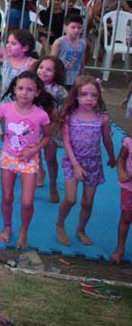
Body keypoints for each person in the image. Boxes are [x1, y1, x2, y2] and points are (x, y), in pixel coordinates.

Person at [0, 71, 55, 249]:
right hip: (8, 157)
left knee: (27, 201)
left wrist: (36, 149)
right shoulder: (6, 108)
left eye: (29, 89)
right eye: (20, 88)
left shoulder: (41, 115)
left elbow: (48, 136)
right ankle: (7, 227)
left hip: (29, 160)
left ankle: (24, 230)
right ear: (15, 89)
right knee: (8, 196)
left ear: (37, 93)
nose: (24, 93)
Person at [55, 76, 116, 247]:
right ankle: (60, 224)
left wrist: (112, 157)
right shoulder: (69, 116)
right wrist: (75, 165)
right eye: (84, 94)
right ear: (76, 96)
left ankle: (81, 229)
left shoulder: (102, 118)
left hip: (93, 163)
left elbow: (107, 140)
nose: (89, 99)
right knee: (71, 198)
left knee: (87, 202)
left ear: (99, 97)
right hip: (73, 161)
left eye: (94, 95)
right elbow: (66, 141)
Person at [35, 55, 68, 202]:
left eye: (49, 69)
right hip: (34, 127)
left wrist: (58, 117)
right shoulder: (33, 85)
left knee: (50, 157)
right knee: (35, 154)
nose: (43, 71)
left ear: (57, 73)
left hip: (51, 128)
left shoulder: (59, 90)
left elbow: (67, 107)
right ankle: (40, 172)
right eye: (41, 67)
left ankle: (53, 186)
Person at [0, 16, 38, 95]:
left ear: (25, 48)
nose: (8, 46)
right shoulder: (6, 56)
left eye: (13, 44)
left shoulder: (32, 63)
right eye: (8, 42)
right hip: (5, 102)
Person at [50, 14, 87, 90]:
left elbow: (81, 61)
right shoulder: (59, 42)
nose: (76, 30)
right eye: (73, 27)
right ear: (65, 27)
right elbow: (52, 61)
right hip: (61, 79)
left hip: (75, 79)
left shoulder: (83, 43)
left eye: (79, 28)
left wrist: (81, 75)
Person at [113, 133, 132, 264]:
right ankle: (120, 249)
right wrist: (121, 171)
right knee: (126, 217)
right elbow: (121, 158)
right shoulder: (129, 142)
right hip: (129, 187)